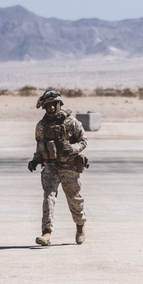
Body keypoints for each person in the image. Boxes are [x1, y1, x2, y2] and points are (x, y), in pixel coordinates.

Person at [28, 89, 89, 246]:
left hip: (69, 166)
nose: (51, 108)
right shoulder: (41, 126)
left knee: (74, 200)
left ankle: (80, 225)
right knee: (49, 197)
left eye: (54, 105)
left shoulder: (72, 123)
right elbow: (39, 145)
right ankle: (46, 233)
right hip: (51, 167)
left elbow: (83, 141)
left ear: (59, 104)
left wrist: (73, 149)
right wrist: (35, 160)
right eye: (48, 106)